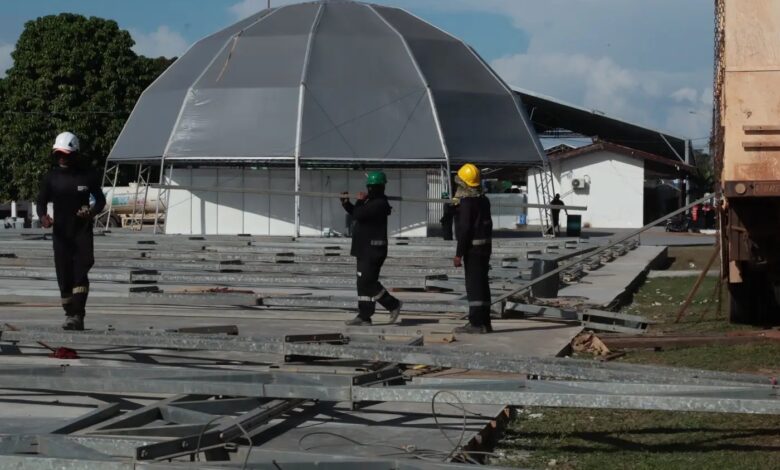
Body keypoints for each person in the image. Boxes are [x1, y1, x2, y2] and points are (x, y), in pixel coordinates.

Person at [36, 132, 106, 331]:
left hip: (81, 233)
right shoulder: (51, 178)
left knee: (81, 271)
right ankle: (70, 313)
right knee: (64, 276)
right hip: (61, 235)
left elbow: (100, 200)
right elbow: (41, 202)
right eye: (58, 154)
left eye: (65, 154)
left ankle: (78, 315)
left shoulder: (87, 176)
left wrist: (91, 212)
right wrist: (43, 217)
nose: (62, 158)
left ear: (75, 154)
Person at [340, 171, 402, 326]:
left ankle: (393, 304)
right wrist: (346, 204)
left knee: (368, 282)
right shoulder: (371, 201)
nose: (370, 189)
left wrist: (359, 201)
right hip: (363, 248)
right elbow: (357, 213)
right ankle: (364, 315)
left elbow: (359, 214)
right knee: (362, 284)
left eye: (372, 187)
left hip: (373, 250)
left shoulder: (379, 203)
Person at [452, 163, 493, 334]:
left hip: (473, 250)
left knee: (474, 286)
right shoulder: (484, 200)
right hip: (485, 247)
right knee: (482, 284)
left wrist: (459, 254)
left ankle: (476, 323)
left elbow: (465, 229)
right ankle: (485, 322)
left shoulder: (467, 203)